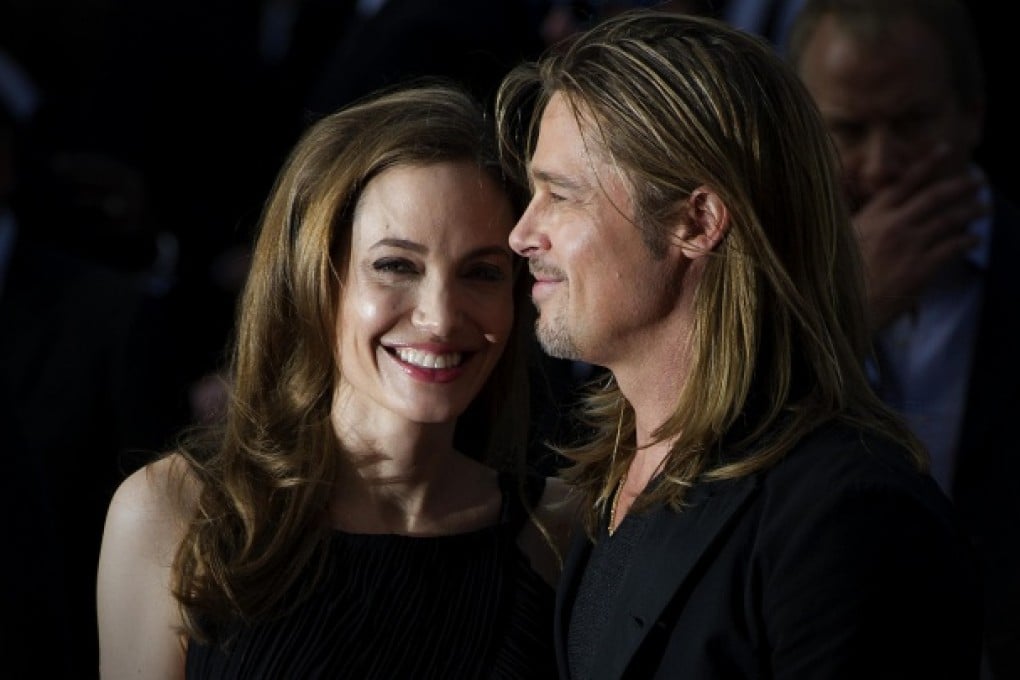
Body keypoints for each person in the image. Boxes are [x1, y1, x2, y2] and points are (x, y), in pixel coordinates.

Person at [494, 10, 983, 678]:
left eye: (561, 195)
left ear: (696, 221)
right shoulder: (613, 484)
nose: (523, 233)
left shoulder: (850, 518)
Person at [97, 81, 576, 679]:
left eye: (482, 273)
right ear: (316, 280)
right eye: (396, 266)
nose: (440, 317)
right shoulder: (176, 512)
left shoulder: (558, 532)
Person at [785, 1, 1020, 677]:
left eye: (912, 125)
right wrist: (841, 314)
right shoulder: (750, 284)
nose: (882, 166)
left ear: (971, 115)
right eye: (848, 131)